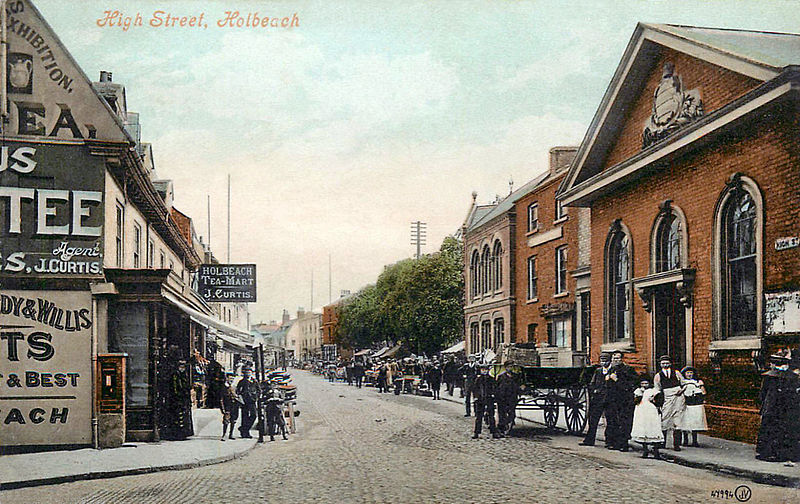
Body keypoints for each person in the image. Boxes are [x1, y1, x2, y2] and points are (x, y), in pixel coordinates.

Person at [756, 351, 800, 463]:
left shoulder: (769, 377)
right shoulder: (791, 377)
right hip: (787, 410)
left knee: (770, 430)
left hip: (771, 408)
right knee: (785, 430)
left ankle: (768, 452)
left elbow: (763, 394)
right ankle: (784, 453)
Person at [605, 351, 637, 451]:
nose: (616, 360)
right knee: (614, 421)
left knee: (624, 422)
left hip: (625, 400)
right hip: (613, 400)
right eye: (614, 358)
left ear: (622, 359)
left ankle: (624, 444)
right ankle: (614, 443)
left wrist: (617, 380)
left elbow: (631, 385)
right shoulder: (612, 369)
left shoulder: (628, 369)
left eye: (618, 358)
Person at [653, 355, 685, 451]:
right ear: (660, 364)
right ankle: (663, 442)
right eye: (663, 363)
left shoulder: (676, 373)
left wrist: (681, 391)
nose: (665, 365)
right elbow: (657, 388)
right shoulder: (658, 375)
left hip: (678, 396)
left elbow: (684, 383)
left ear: (670, 363)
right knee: (665, 418)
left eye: (667, 363)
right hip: (667, 396)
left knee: (678, 419)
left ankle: (677, 444)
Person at [579, 353, 612, 447]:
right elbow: (592, 382)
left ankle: (609, 441)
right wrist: (594, 390)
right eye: (602, 360)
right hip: (598, 398)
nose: (603, 362)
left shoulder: (613, 371)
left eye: (605, 360)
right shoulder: (598, 371)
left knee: (610, 420)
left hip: (610, 398)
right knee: (593, 420)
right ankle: (589, 440)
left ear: (609, 361)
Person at [631, 375, 664, 459]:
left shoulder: (653, 391)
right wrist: (639, 395)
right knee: (643, 429)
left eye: (646, 383)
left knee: (652, 428)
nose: (644, 385)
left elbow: (659, 401)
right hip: (641, 410)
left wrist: (654, 400)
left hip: (651, 410)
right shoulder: (638, 391)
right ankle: (645, 450)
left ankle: (656, 451)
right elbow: (635, 402)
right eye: (642, 383)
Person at [676, 366, 707, 447]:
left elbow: (703, 392)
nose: (689, 374)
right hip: (686, 403)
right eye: (687, 373)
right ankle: (685, 440)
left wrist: (701, 394)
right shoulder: (682, 382)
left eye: (691, 372)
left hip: (696, 403)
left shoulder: (698, 382)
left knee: (695, 422)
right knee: (685, 422)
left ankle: (694, 440)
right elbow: (679, 393)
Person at [471, 363, 498, 439]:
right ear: (480, 370)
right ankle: (476, 433)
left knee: (491, 416)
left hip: (489, 399)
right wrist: (476, 397)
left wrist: (493, 395)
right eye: (483, 370)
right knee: (479, 417)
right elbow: (475, 389)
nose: (484, 371)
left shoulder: (491, 379)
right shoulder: (478, 379)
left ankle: (494, 432)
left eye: (486, 369)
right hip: (480, 400)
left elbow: (494, 388)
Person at [495, 363, 520, 437]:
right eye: (509, 367)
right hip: (502, 398)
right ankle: (501, 429)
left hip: (512, 398)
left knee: (512, 413)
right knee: (502, 413)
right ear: (505, 368)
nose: (510, 368)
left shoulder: (515, 377)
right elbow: (497, 387)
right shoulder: (501, 377)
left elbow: (519, 386)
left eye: (511, 367)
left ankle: (508, 425)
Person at [236, 365, 259, 438]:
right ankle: (245, 433)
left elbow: (259, 390)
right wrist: (240, 398)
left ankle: (243, 428)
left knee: (254, 415)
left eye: (249, 372)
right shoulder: (241, 382)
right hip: (244, 401)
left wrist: (256, 397)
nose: (248, 374)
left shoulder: (254, 381)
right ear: (244, 373)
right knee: (244, 417)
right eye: (246, 372)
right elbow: (237, 391)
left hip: (252, 401)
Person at [220, 372, 241, 441]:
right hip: (227, 406)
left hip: (234, 406)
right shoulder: (223, 387)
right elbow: (221, 399)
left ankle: (231, 434)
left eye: (233, 378)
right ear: (227, 378)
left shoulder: (234, 387)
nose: (231, 380)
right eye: (230, 378)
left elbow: (238, 395)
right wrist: (222, 408)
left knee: (233, 420)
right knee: (226, 421)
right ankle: (224, 435)